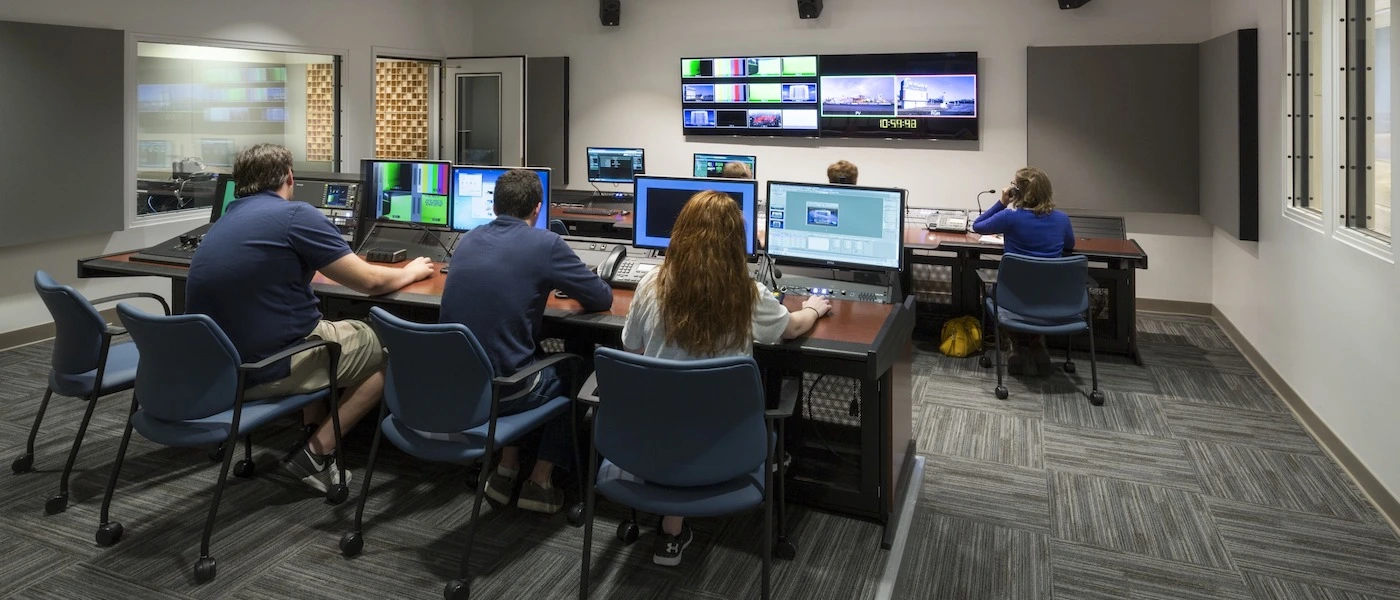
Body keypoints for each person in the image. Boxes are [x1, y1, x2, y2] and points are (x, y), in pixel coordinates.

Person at [187, 144, 434, 492]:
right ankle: (317, 452)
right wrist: (411, 271)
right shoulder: (295, 215)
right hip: (267, 368)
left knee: (319, 324)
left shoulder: (223, 223)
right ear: (290, 177)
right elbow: (370, 282)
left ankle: (308, 429)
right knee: (398, 344)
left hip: (221, 370)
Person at [620, 191, 831, 567]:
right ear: (737, 241)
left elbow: (632, 348)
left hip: (652, 438)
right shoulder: (746, 294)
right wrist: (813, 308)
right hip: (728, 444)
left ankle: (672, 529)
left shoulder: (651, 284)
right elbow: (792, 328)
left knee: (680, 412)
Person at [440, 169, 613, 514]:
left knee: (521, 354)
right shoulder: (545, 243)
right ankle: (540, 481)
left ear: (494, 205)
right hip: (505, 390)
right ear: (537, 208)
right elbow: (601, 298)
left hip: (460, 389)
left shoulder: (469, 239)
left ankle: (506, 470)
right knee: (578, 366)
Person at [971, 166, 1076, 376]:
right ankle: (1037, 344)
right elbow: (1070, 245)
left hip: (1013, 298)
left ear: (1017, 192)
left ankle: (1014, 346)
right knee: (1031, 293)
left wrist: (1002, 202)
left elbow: (978, 225)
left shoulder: (1010, 218)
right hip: (1051, 298)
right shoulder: (1062, 219)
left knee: (994, 293)